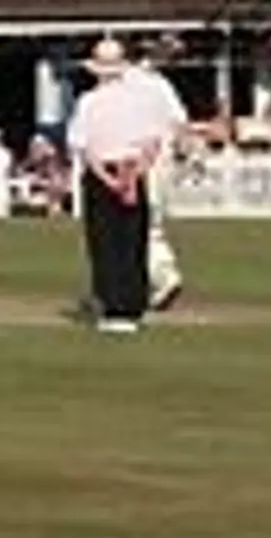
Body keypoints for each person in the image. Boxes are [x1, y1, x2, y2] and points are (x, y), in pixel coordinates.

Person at [66, 39, 161, 333]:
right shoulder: (139, 101)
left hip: (106, 172)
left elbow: (84, 148)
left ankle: (115, 307)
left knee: (106, 240)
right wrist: (133, 176)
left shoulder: (89, 102)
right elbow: (152, 144)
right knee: (132, 240)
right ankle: (132, 305)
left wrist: (109, 180)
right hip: (131, 170)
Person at [128, 42, 191, 310]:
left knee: (135, 225)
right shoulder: (159, 84)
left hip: (136, 161)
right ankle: (150, 280)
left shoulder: (126, 83)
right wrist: (184, 153)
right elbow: (180, 124)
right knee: (150, 224)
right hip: (159, 162)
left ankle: (162, 277)